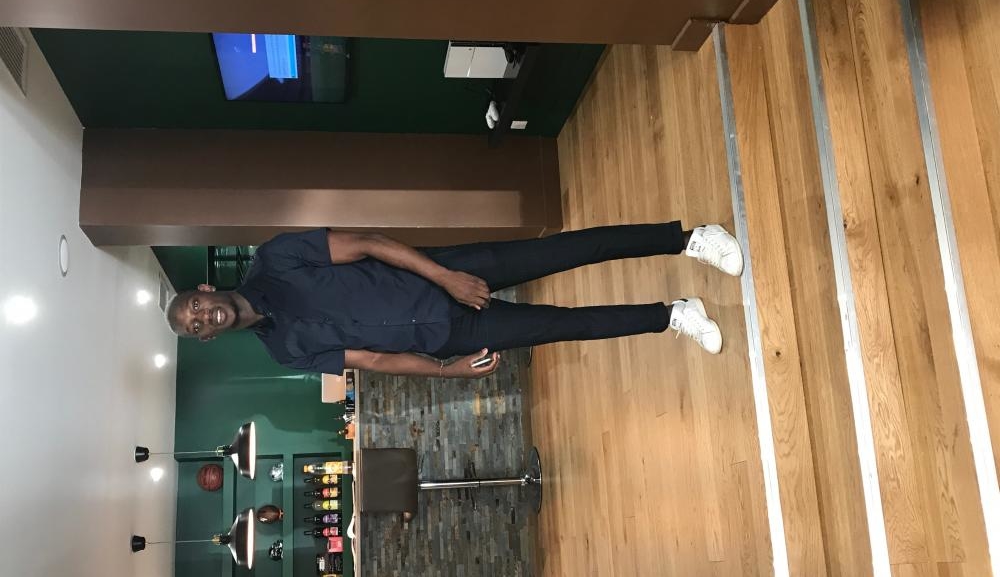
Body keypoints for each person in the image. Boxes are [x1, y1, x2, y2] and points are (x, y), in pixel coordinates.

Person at [166, 223, 743, 379]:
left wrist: (446, 277)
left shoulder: (275, 258)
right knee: (566, 326)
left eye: (194, 305)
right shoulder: (284, 351)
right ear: (209, 337)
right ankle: (674, 314)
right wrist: (448, 371)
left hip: (452, 274)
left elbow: (369, 243)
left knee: (570, 251)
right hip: (448, 336)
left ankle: (688, 238)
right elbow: (372, 359)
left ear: (205, 290)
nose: (201, 318)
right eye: (196, 327)